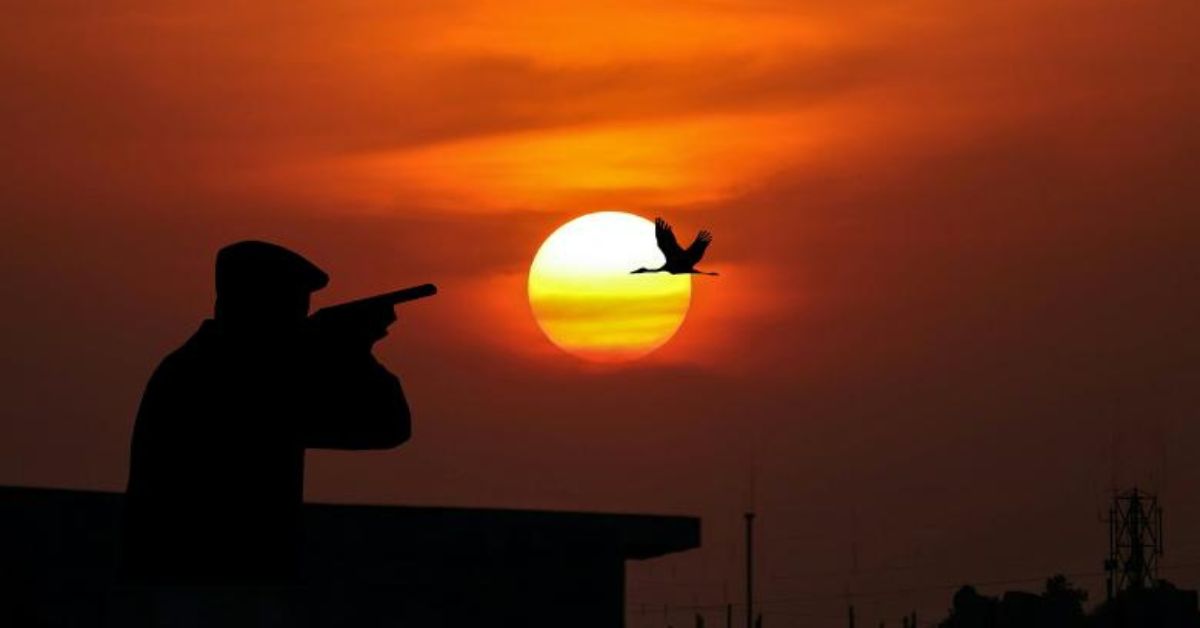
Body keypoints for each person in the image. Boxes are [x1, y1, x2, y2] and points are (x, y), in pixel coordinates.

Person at [122, 241, 411, 585]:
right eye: (292, 307)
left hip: (200, 573)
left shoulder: (199, 366)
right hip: (213, 577)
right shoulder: (226, 377)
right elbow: (385, 425)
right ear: (260, 305)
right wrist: (355, 350)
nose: (299, 320)